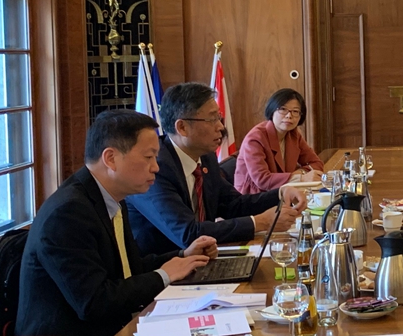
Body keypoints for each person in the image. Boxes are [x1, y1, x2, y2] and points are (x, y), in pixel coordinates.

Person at [16, 110, 215, 336]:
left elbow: (127, 268)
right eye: (148, 157)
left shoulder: (111, 198)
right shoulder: (68, 213)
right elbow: (94, 302)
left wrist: (182, 256)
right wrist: (164, 275)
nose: (156, 168)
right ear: (110, 158)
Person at [127, 83, 307, 256]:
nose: (221, 126)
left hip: (204, 257)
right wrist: (260, 223)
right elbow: (188, 234)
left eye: (218, 118)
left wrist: (280, 194)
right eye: (212, 119)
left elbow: (232, 205)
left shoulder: (206, 157)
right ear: (182, 127)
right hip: (165, 267)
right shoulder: (155, 168)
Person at [235, 88, 325, 195]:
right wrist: (301, 178)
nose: (289, 115)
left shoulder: (293, 135)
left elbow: (316, 163)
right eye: (283, 109)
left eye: (295, 111)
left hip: (282, 191)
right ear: (272, 110)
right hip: (254, 196)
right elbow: (262, 179)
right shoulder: (255, 138)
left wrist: (299, 173)